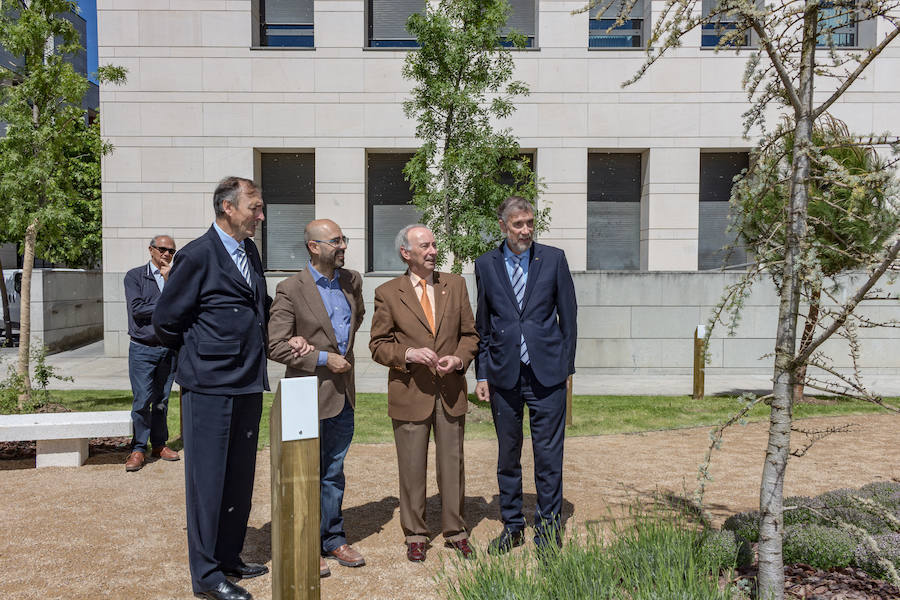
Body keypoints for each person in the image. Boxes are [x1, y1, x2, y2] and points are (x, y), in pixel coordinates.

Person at [152, 177, 271, 600]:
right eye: (254, 207)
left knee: (239, 476)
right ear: (227, 207)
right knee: (208, 481)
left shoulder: (250, 252)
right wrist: (203, 352)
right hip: (209, 387)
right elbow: (166, 321)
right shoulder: (197, 255)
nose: (260, 215)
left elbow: (260, 309)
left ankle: (228, 557)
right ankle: (205, 576)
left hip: (247, 383)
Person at [368, 224, 479, 562]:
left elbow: (470, 335)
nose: (433, 251)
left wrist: (459, 359)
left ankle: (455, 531)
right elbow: (377, 345)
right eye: (425, 246)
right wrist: (408, 355)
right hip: (410, 392)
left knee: (452, 466)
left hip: (450, 392)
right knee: (412, 468)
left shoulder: (456, 285)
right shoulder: (387, 292)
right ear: (406, 253)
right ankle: (415, 534)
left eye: (434, 245)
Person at [474, 196, 577, 554]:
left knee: (549, 455)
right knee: (508, 454)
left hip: (547, 374)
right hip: (504, 376)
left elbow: (569, 318)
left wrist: (567, 368)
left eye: (530, 223)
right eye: (518, 224)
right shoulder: (485, 264)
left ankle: (548, 529)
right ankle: (513, 526)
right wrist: (482, 373)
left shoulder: (553, 259)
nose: (526, 230)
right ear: (502, 225)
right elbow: (483, 325)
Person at [267, 219, 366, 579]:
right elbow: (276, 344)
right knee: (305, 473)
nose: (343, 246)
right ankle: (307, 544)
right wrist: (322, 358)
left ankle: (333, 538)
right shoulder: (290, 288)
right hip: (307, 396)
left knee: (334, 472)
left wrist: (339, 352)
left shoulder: (352, 281)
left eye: (344, 239)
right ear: (314, 246)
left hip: (344, 397)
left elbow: (356, 320)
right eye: (335, 241)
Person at [123, 235, 180, 472]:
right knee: (142, 400)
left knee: (162, 401)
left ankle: (159, 444)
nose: (166, 254)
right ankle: (138, 448)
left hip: (168, 349)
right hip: (143, 349)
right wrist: (168, 298)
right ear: (151, 250)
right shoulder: (135, 276)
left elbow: (184, 306)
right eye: (162, 249)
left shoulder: (176, 277)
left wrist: (171, 282)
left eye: (171, 251)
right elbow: (137, 310)